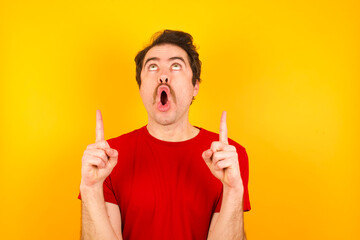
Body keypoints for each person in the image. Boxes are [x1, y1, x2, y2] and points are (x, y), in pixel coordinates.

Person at [79, 30, 251, 240]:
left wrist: (233, 191)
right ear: (140, 86)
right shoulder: (107, 157)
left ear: (195, 86)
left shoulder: (229, 157)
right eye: (152, 66)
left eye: (176, 65)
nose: (163, 75)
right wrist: (90, 190)